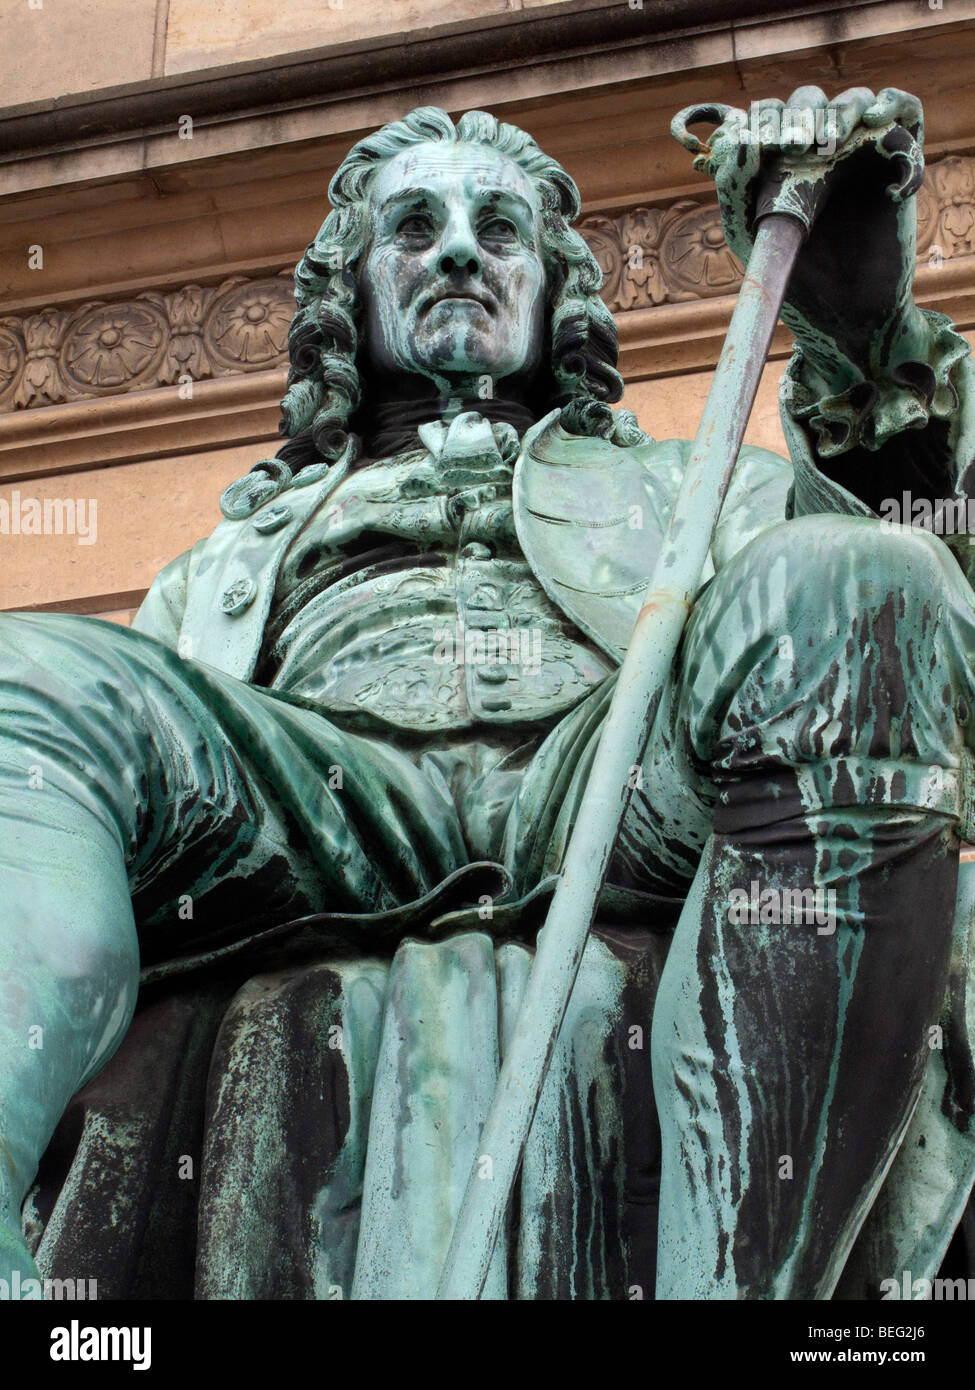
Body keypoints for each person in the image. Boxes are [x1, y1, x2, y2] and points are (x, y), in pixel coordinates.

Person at [2, 89, 974, 1299]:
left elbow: (923, 634)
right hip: (324, 792)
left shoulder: (690, 479)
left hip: (612, 775)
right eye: (413, 227)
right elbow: (110, 779)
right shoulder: (234, 555)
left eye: (499, 230)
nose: (459, 247)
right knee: (18, 677)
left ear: (555, 295)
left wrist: (858, 338)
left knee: (860, 581)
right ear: (350, 300)